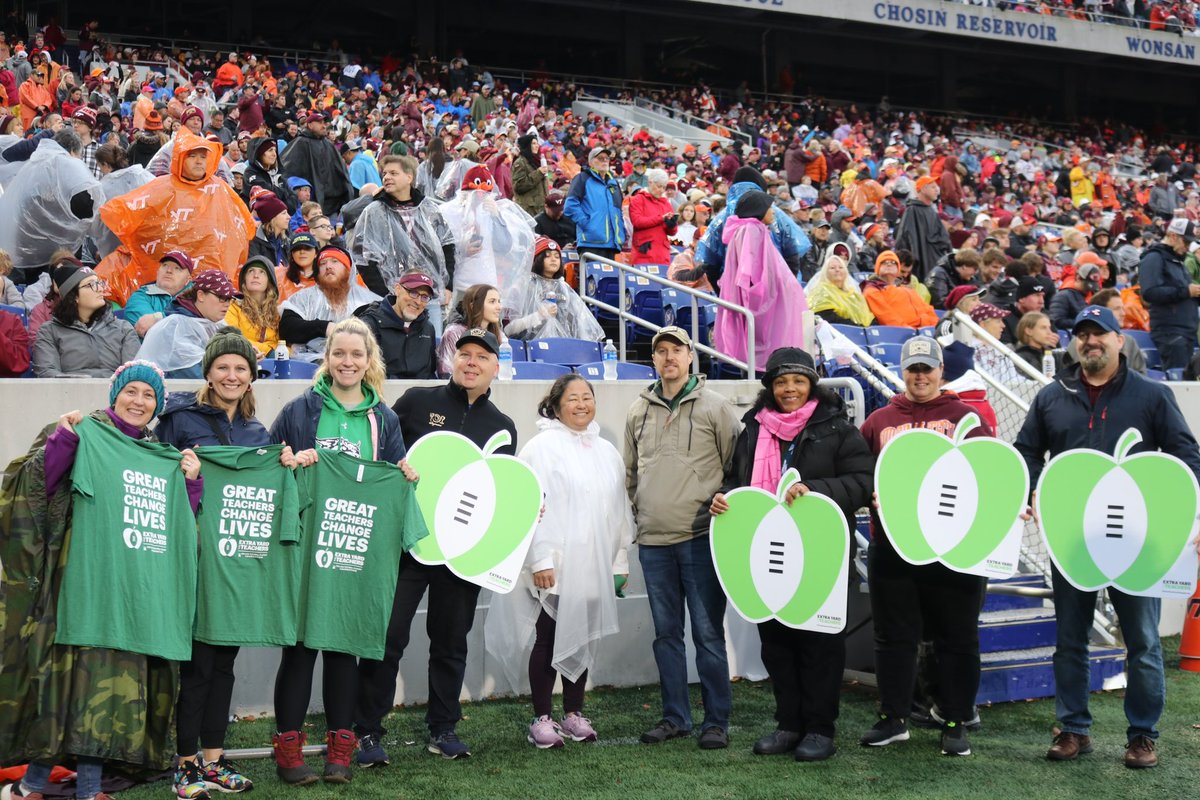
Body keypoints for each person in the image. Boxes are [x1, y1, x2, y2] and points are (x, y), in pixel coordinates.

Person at [0, 360, 199, 800]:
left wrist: (189, 483)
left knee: (104, 696)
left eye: (149, 396)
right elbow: (34, 490)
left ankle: (85, 786)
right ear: (115, 396)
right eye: (131, 392)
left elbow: (179, 526)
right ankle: (32, 783)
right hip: (79, 586)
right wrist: (63, 442)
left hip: (131, 592)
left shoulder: (159, 457)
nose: (139, 401)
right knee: (65, 689)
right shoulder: (84, 432)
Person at [1014, 305, 1200, 769]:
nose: (1091, 341)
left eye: (1100, 334)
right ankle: (1073, 729)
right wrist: (1026, 489)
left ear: (1120, 340)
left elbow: (1186, 459)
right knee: (1071, 638)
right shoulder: (1052, 395)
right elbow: (1027, 452)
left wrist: (1189, 516)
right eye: (1083, 335)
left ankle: (1142, 736)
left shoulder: (1151, 395)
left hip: (1137, 539)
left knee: (1142, 641)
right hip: (1072, 537)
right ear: (1074, 342)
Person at [354, 327, 518, 764]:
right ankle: (366, 731)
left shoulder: (502, 427)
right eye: (464, 353)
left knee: (451, 641)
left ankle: (443, 728)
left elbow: (499, 495)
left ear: (494, 368)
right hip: (408, 543)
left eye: (482, 357)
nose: (471, 362)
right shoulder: (416, 401)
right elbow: (379, 451)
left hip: (461, 555)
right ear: (451, 359)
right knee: (386, 638)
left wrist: (523, 512)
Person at [267, 317, 419, 784]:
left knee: (342, 649)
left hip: (356, 546)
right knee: (299, 649)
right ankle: (288, 750)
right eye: (339, 354)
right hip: (306, 547)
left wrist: (404, 475)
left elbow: (392, 474)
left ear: (369, 360)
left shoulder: (385, 418)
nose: (347, 362)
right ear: (327, 359)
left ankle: (340, 748)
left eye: (356, 355)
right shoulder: (300, 410)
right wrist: (291, 463)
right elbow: (271, 466)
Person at [710, 348, 872, 761]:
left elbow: (862, 481)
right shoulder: (753, 427)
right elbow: (739, 480)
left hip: (820, 554)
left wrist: (816, 489)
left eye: (798, 381)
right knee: (777, 643)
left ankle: (820, 729)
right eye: (781, 382)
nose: (789, 389)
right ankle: (788, 724)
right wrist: (727, 498)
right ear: (770, 387)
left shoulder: (837, 428)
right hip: (766, 551)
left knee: (819, 645)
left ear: (811, 384)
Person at [155, 329, 288, 798]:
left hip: (235, 562)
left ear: (251, 378)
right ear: (208, 373)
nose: (232, 375)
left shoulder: (257, 433)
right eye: (223, 367)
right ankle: (184, 762)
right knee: (197, 665)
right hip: (190, 557)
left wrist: (286, 463)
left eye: (241, 368)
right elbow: (154, 470)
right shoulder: (178, 418)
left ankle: (213, 758)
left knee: (225, 663)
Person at [484, 374, 635, 748]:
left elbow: (619, 512)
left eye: (588, 397)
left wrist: (618, 563)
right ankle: (541, 717)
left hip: (593, 565)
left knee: (580, 639)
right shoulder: (540, 447)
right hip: (554, 564)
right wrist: (539, 560)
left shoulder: (606, 451)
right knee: (548, 640)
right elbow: (529, 507)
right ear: (555, 405)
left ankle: (573, 713)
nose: (582, 404)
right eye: (573, 398)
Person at [859, 336, 992, 757]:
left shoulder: (966, 417)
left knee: (957, 638)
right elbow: (860, 474)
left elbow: (990, 476)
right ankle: (894, 718)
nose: (920, 375)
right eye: (913, 368)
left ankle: (955, 721)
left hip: (953, 550)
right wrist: (869, 494)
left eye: (927, 368)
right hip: (892, 546)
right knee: (893, 637)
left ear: (941, 371)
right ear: (903, 370)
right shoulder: (879, 420)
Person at [625, 326, 741, 750]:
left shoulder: (717, 407)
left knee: (708, 634)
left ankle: (716, 720)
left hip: (700, 537)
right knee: (666, 634)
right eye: (661, 351)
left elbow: (736, 469)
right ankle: (675, 717)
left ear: (691, 356)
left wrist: (724, 499)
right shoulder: (638, 410)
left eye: (677, 350)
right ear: (653, 360)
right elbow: (631, 473)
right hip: (654, 542)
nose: (669, 357)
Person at [97, 128, 253, 306]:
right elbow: (133, 210)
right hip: (166, 271)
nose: (199, 162)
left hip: (209, 275)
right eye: (193, 156)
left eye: (203, 157)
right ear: (181, 158)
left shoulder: (221, 190)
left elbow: (241, 226)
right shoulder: (163, 186)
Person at [351, 154, 456, 334]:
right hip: (395, 300)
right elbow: (364, 259)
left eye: (393, 173)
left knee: (431, 345)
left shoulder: (428, 208)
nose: (386, 177)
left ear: (409, 177)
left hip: (428, 296)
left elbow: (447, 244)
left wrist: (448, 285)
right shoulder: (374, 212)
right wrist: (386, 293)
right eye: (384, 173)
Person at [713, 189, 808, 373]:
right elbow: (750, 273)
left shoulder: (747, 228)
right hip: (760, 303)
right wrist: (764, 297)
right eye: (769, 208)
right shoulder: (751, 229)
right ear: (758, 210)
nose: (773, 212)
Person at [32, 264, 138, 377]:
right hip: (69, 392)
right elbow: (48, 373)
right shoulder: (49, 331)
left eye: (99, 283)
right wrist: (83, 385)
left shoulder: (123, 329)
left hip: (113, 392)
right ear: (74, 297)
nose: (100, 288)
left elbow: (133, 374)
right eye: (90, 285)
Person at [278, 244, 381, 362]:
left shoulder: (368, 300)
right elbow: (287, 328)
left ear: (348, 269)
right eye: (323, 263)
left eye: (335, 261)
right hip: (312, 365)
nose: (328, 266)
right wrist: (324, 327)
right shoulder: (303, 298)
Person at [137, 269, 241, 378]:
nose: (227, 304)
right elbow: (199, 377)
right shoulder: (175, 327)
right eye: (221, 297)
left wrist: (244, 353)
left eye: (229, 299)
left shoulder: (215, 323)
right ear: (200, 295)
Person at [503, 236, 603, 341]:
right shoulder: (522, 286)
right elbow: (508, 329)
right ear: (537, 259)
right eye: (547, 256)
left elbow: (580, 323)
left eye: (557, 256)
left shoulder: (564, 288)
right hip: (529, 348)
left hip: (562, 347)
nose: (553, 259)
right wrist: (538, 315)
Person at [1138, 218, 1199, 370]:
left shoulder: (1177, 261)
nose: (1187, 247)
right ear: (1173, 236)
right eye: (1185, 242)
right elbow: (1150, 292)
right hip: (1170, 332)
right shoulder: (1154, 258)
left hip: (1186, 331)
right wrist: (1186, 291)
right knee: (1178, 380)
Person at [355, 269, 438, 379]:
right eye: (413, 293)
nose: (418, 302)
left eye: (424, 297)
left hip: (421, 393)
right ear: (398, 289)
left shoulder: (428, 328)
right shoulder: (370, 323)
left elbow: (430, 373)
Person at [280, 112, 353, 213]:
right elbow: (286, 173)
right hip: (310, 208)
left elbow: (342, 173)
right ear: (310, 125)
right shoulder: (299, 143)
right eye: (319, 123)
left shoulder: (329, 145)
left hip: (333, 205)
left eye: (324, 122)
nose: (324, 126)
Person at [1063, 288, 1147, 374]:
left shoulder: (1129, 342)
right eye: (1117, 309)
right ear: (1100, 311)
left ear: (1120, 341)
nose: (1123, 313)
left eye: (1122, 308)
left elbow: (1141, 376)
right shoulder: (1078, 344)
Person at [564, 147, 624, 262]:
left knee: (609, 279)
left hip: (612, 244)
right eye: (600, 158)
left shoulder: (614, 183)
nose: (605, 161)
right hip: (591, 243)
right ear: (591, 162)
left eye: (607, 158)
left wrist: (621, 233)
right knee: (591, 279)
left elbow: (618, 211)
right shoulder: (582, 178)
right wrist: (587, 224)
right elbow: (570, 206)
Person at [438, 283, 507, 377]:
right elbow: (446, 372)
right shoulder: (454, 333)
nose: (499, 307)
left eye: (499, 301)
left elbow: (505, 371)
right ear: (473, 305)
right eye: (492, 301)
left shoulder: (500, 336)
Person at [894, 176, 952, 280]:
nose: (937, 190)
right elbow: (906, 240)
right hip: (919, 268)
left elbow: (944, 240)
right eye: (933, 187)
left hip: (934, 264)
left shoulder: (932, 212)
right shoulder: (912, 211)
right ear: (923, 189)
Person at [863, 250, 938, 328]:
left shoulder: (908, 290)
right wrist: (911, 330)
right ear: (877, 268)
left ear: (897, 269)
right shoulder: (872, 290)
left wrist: (933, 327)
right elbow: (888, 318)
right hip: (905, 333)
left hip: (926, 330)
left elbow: (929, 310)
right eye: (884, 262)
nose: (889, 264)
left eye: (893, 262)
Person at [224, 256, 281, 357]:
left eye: (262, 272)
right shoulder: (233, 306)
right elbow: (233, 338)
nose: (255, 276)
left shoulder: (278, 311)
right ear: (244, 279)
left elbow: (284, 345)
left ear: (269, 280)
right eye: (251, 271)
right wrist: (268, 350)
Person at [805, 249, 874, 326]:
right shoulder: (821, 291)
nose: (837, 270)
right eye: (832, 268)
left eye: (841, 267)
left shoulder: (854, 295)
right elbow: (826, 317)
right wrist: (856, 327)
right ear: (825, 272)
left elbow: (867, 315)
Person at [629, 168, 678, 265]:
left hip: (662, 254)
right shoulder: (638, 199)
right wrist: (661, 218)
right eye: (659, 186)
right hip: (644, 253)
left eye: (664, 187)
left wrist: (672, 225)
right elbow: (637, 221)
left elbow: (672, 232)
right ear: (650, 182)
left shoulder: (665, 203)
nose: (661, 190)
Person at [1048, 263, 1102, 331]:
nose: (1088, 290)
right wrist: (1084, 323)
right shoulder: (1063, 296)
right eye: (1086, 286)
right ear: (1078, 278)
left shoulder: (1093, 294)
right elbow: (1056, 321)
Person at [1013, 311, 1064, 376]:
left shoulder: (1052, 354)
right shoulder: (1020, 358)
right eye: (1043, 328)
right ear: (1029, 331)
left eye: (1049, 328)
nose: (1049, 332)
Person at [511, 133, 548, 217]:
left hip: (541, 208)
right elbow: (519, 186)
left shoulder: (537, 161)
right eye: (533, 143)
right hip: (529, 211)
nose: (537, 146)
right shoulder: (520, 163)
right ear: (527, 145)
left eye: (537, 143)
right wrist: (538, 173)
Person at [276, 231, 319, 301]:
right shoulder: (277, 274)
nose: (302, 252)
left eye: (307, 248)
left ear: (316, 253)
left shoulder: (325, 278)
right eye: (297, 248)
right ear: (292, 254)